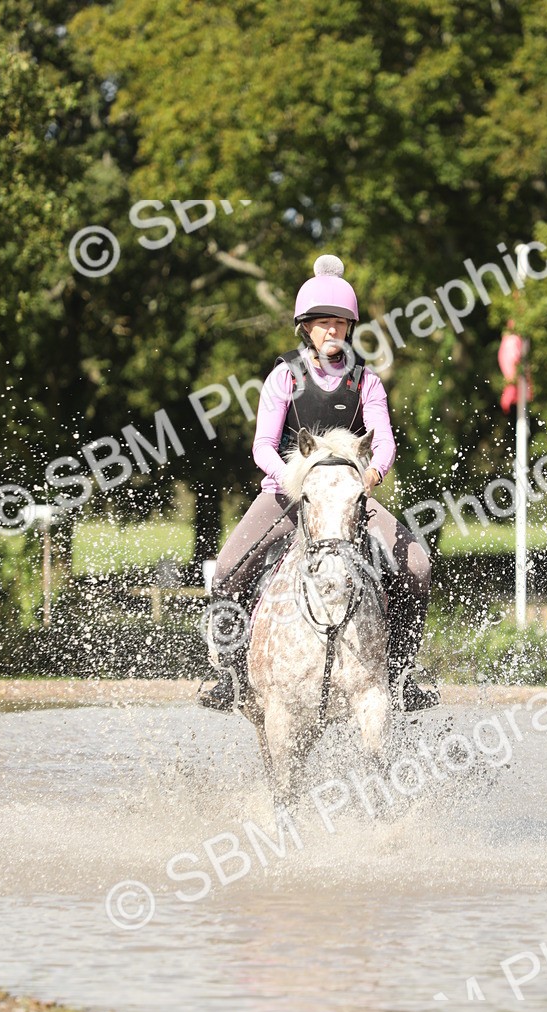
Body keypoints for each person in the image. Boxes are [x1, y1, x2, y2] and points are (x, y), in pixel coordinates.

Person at [199, 254, 438, 713]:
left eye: (340, 323)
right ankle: (229, 675)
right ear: (306, 328)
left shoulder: (366, 381)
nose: (332, 331)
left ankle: (403, 675)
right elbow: (263, 446)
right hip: (288, 496)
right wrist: (292, 480)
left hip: (347, 497)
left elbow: (384, 441)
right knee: (227, 570)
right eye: (323, 323)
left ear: (350, 327)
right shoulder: (283, 377)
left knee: (418, 567)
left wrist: (372, 474)